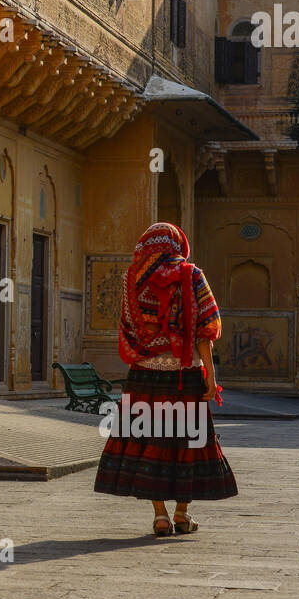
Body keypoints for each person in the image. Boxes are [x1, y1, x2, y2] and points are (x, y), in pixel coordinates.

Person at [93, 221, 238, 536]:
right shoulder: (191, 275)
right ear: (177, 245)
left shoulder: (131, 280)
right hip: (186, 377)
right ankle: (182, 515)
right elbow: (205, 330)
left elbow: (127, 329)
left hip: (144, 378)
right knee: (187, 442)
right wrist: (211, 378)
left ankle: (160, 517)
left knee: (150, 443)